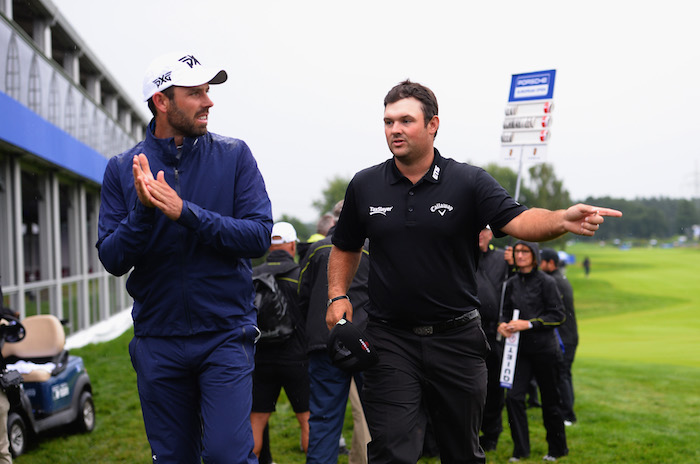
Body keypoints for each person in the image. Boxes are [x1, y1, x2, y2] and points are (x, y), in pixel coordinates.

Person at [326, 79, 621, 464]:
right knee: (390, 453)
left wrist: (562, 219)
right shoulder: (365, 185)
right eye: (388, 121)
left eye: (405, 120)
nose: (394, 130)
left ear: (432, 125)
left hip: (456, 340)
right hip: (390, 340)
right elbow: (345, 245)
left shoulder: (467, 181)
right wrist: (337, 294)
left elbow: (522, 220)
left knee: (462, 453)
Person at [96, 52, 272, 463]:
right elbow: (113, 258)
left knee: (228, 456)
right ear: (162, 101)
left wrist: (185, 212)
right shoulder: (122, 169)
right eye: (195, 93)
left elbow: (258, 235)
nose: (208, 102)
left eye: (207, 92)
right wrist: (144, 211)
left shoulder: (234, 155)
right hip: (158, 339)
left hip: (226, 334)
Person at [298, 200, 372, 464]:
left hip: (324, 343)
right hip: (365, 344)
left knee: (324, 420)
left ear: (333, 221)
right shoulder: (371, 250)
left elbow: (301, 297)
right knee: (378, 418)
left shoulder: (316, 249)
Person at [498, 241, 568, 462]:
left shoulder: (547, 282)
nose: (519, 255)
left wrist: (528, 324)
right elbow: (504, 312)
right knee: (514, 398)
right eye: (517, 251)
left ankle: (557, 449)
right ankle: (521, 450)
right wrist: (502, 324)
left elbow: (558, 315)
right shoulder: (510, 283)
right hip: (519, 351)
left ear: (534, 256)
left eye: (524, 251)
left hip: (546, 351)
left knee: (550, 401)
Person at [251, 222, 310, 458]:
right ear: (293, 245)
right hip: (297, 359)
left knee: (255, 422)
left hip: (261, 359)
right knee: (307, 421)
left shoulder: (253, 275)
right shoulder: (301, 275)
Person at [475, 225, 510, 452]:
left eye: (483, 231)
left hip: (494, 332)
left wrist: (514, 262)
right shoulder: (460, 255)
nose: (479, 235)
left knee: (494, 388)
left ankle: (491, 433)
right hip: (464, 330)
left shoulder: (502, 259)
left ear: (490, 234)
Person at [540, 248, 579, 425]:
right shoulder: (559, 278)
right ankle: (568, 409)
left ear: (551, 263)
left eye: (541, 262)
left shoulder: (553, 281)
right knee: (565, 374)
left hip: (564, 337)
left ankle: (568, 414)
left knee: (562, 374)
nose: (539, 265)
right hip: (569, 335)